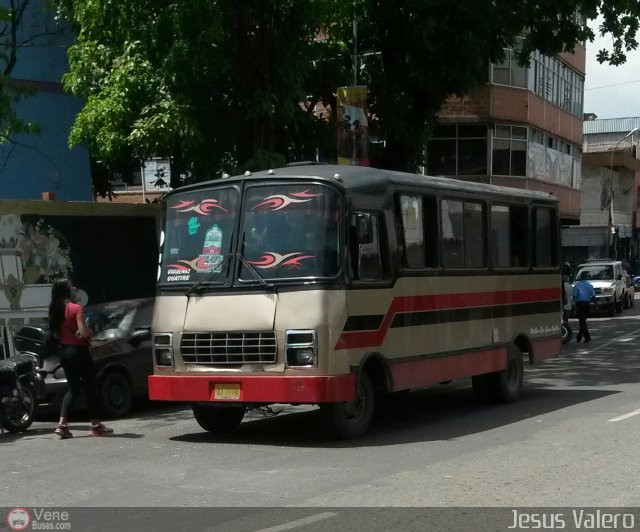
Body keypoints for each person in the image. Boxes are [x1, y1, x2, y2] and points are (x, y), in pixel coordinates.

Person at [48, 279, 113, 438]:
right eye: (71, 286)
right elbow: (84, 333)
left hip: (64, 353)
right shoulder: (76, 308)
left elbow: (56, 334)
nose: (74, 288)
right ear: (66, 290)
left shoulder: (55, 310)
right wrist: (89, 331)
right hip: (79, 351)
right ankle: (95, 425)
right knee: (90, 387)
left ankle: (62, 424)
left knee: (73, 388)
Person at [572, 276, 595, 343]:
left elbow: (574, 295)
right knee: (583, 321)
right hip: (587, 304)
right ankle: (579, 336)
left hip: (580, 304)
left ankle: (586, 337)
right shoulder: (589, 285)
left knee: (582, 321)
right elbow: (593, 295)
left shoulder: (577, 286)